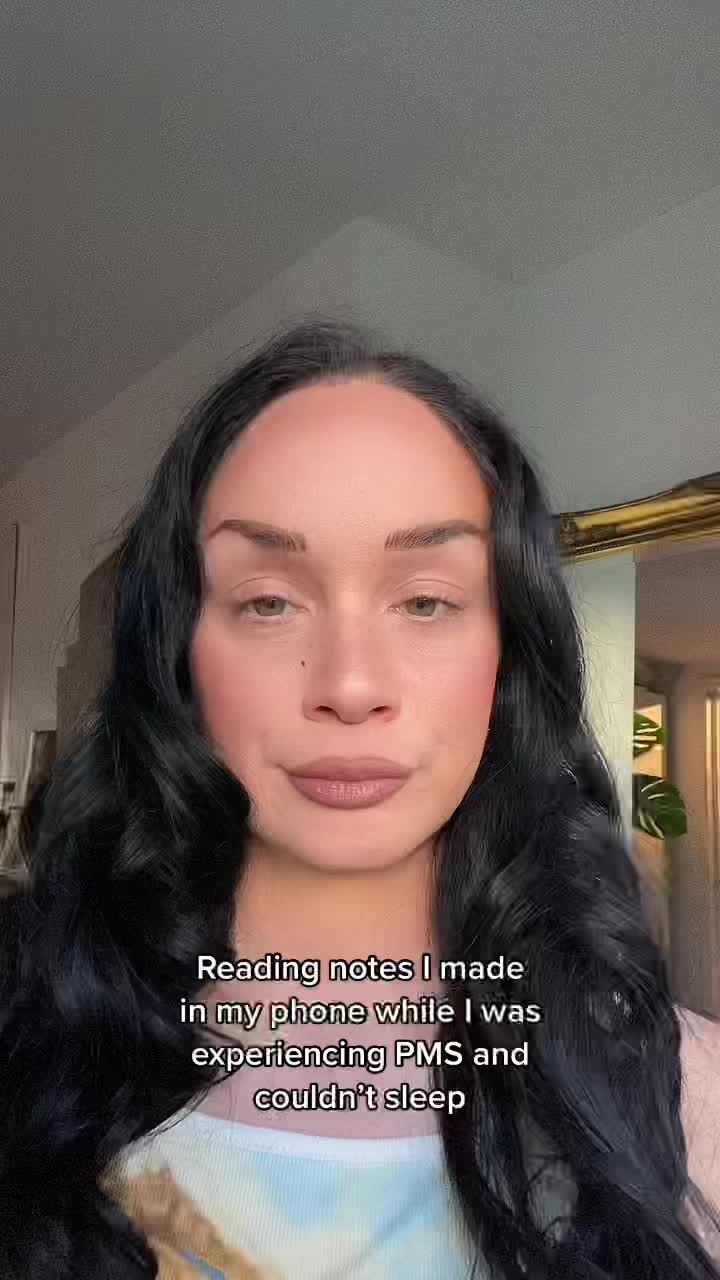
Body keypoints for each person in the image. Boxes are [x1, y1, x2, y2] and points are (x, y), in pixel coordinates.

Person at [1, 318, 719, 1280]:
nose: (348, 685)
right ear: (179, 656)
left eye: (425, 601)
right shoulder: (32, 1043)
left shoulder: (688, 1100)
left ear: (506, 657)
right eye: (269, 601)